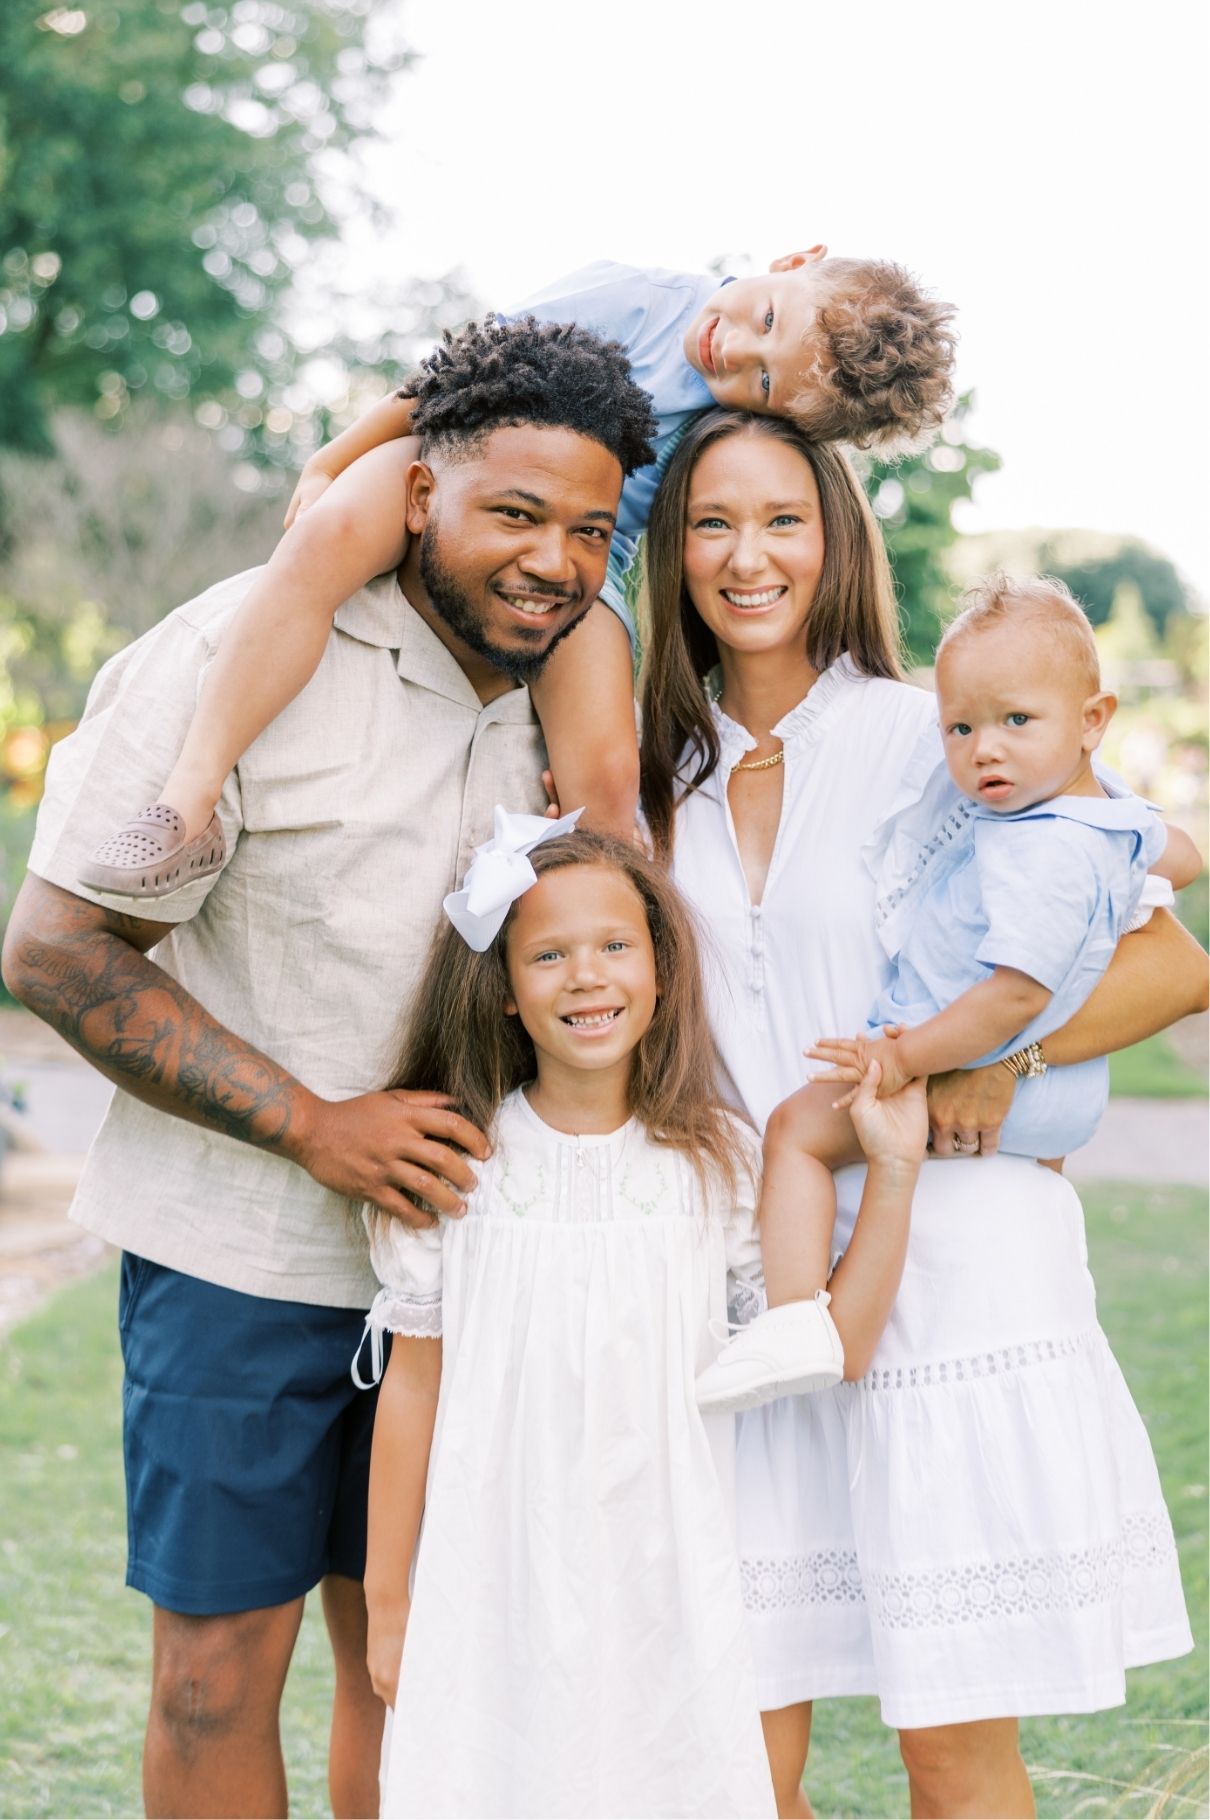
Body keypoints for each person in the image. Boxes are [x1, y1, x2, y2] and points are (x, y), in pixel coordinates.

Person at [1, 317, 656, 1820]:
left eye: (586, 529)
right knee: (214, 1678)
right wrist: (312, 1127)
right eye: (513, 513)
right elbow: (52, 951)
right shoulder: (240, 649)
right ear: (414, 492)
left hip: (474, 1267)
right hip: (238, 1261)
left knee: (415, 1676)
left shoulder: (570, 686)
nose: (554, 560)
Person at [638, 407, 1204, 1817]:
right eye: (711, 521)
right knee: (731, 1756)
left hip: (954, 1267)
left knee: (950, 1755)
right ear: (673, 549)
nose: (746, 554)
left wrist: (988, 1070)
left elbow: (1167, 958)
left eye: (783, 518)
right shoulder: (644, 765)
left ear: (835, 542)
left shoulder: (938, 733)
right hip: (747, 1300)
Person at [357, 820, 927, 1819]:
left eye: (614, 945)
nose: (586, 976)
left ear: (660, 969)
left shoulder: (718, 1162)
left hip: (664, 1572)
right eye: (547, 953)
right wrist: (389, 1598)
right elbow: (412, 1384)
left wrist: (893, 1167)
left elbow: (827, 1344)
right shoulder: (460, 1166)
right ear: (501, 984)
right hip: (489, 1571)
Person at [78, 250, 957, 891]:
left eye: (763, 384)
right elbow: (452, 376)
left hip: (589, 559)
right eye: (766, 322)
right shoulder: (635, 295)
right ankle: (188, 797)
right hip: (466, 463)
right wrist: (335, 457)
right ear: (791, 260)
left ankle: (621, 1003)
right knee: (326, 541)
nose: (734, 357)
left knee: (611, 782)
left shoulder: (734, 421)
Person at [696, 574, 1203, 1413]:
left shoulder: (1044, 845)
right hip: (1017, 1107)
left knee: (796, 1130)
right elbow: (1177, 854)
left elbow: (1023, 996)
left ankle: (795, 1319)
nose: (983, 750)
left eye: (1015, 722)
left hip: (956, 1072)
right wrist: (1128, 849)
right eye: (960, 728)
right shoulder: (1074, 822)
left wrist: (904, 1059)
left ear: (1094, 724)